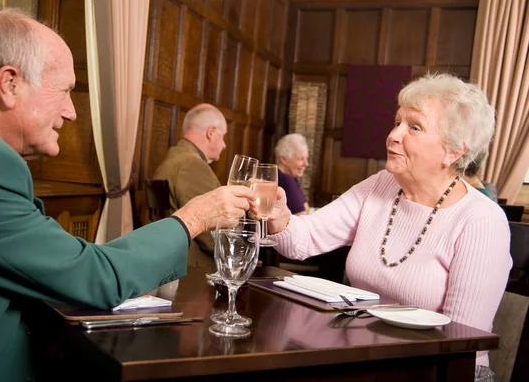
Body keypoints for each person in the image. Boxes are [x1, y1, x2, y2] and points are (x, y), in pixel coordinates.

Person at [0, 9, 254, 382]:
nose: (71, 112)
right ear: (10, 84)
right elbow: (96, 278)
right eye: (65, 90)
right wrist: (195, 217)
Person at [259, 73, 511, 381]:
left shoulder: (481, 221)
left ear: (453, 151)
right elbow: (303, 241)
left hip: (437, 370)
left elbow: (459, 340)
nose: (393, 135)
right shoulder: (381, 184)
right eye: (397, 122)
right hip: (365, 357)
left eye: (414, 127)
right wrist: (278, 214)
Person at [153, 103, 227, 270]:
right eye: (223, 136)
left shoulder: (174, 157)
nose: (224, 145)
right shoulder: (191, 165)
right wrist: (240, 251)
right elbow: (209, 232)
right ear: (211, 132)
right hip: (195, 271)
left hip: (171, 263)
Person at [275, 133, 310, 215]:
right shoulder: (286, 179)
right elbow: (302, 215)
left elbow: (306, 208)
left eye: (306, 158)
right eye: (300, 159)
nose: (306, 164)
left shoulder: (290, 177)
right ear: (283, 159)